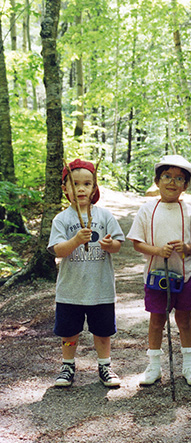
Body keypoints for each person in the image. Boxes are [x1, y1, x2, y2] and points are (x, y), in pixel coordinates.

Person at [127, 155, 191, 386]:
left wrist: (186, 248)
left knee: (184, 320)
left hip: (186, 275)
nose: (172, 182)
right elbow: (136, 242)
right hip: (156, 275)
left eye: (179, 178)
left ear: (185, 185)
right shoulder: (147, 209)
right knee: (157, 320)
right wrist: (156, 250)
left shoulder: (190, 212)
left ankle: (189, 366)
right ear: (157, 181)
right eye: (167, 176)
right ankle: (153, 366)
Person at [48, 158, 125, 388]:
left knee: (102, 331)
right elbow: (58, 250)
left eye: (87, 184)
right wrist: (75, 240)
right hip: (71, 290)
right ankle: (67, 365)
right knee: (69, 333)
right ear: (65, 189)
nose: (81, 188)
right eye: (74, 184)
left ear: (94, 187)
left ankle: (105, 365)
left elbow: (118, 244)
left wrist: (109, 245)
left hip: (100, 289)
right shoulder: (61, 219)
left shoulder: (104, 216)